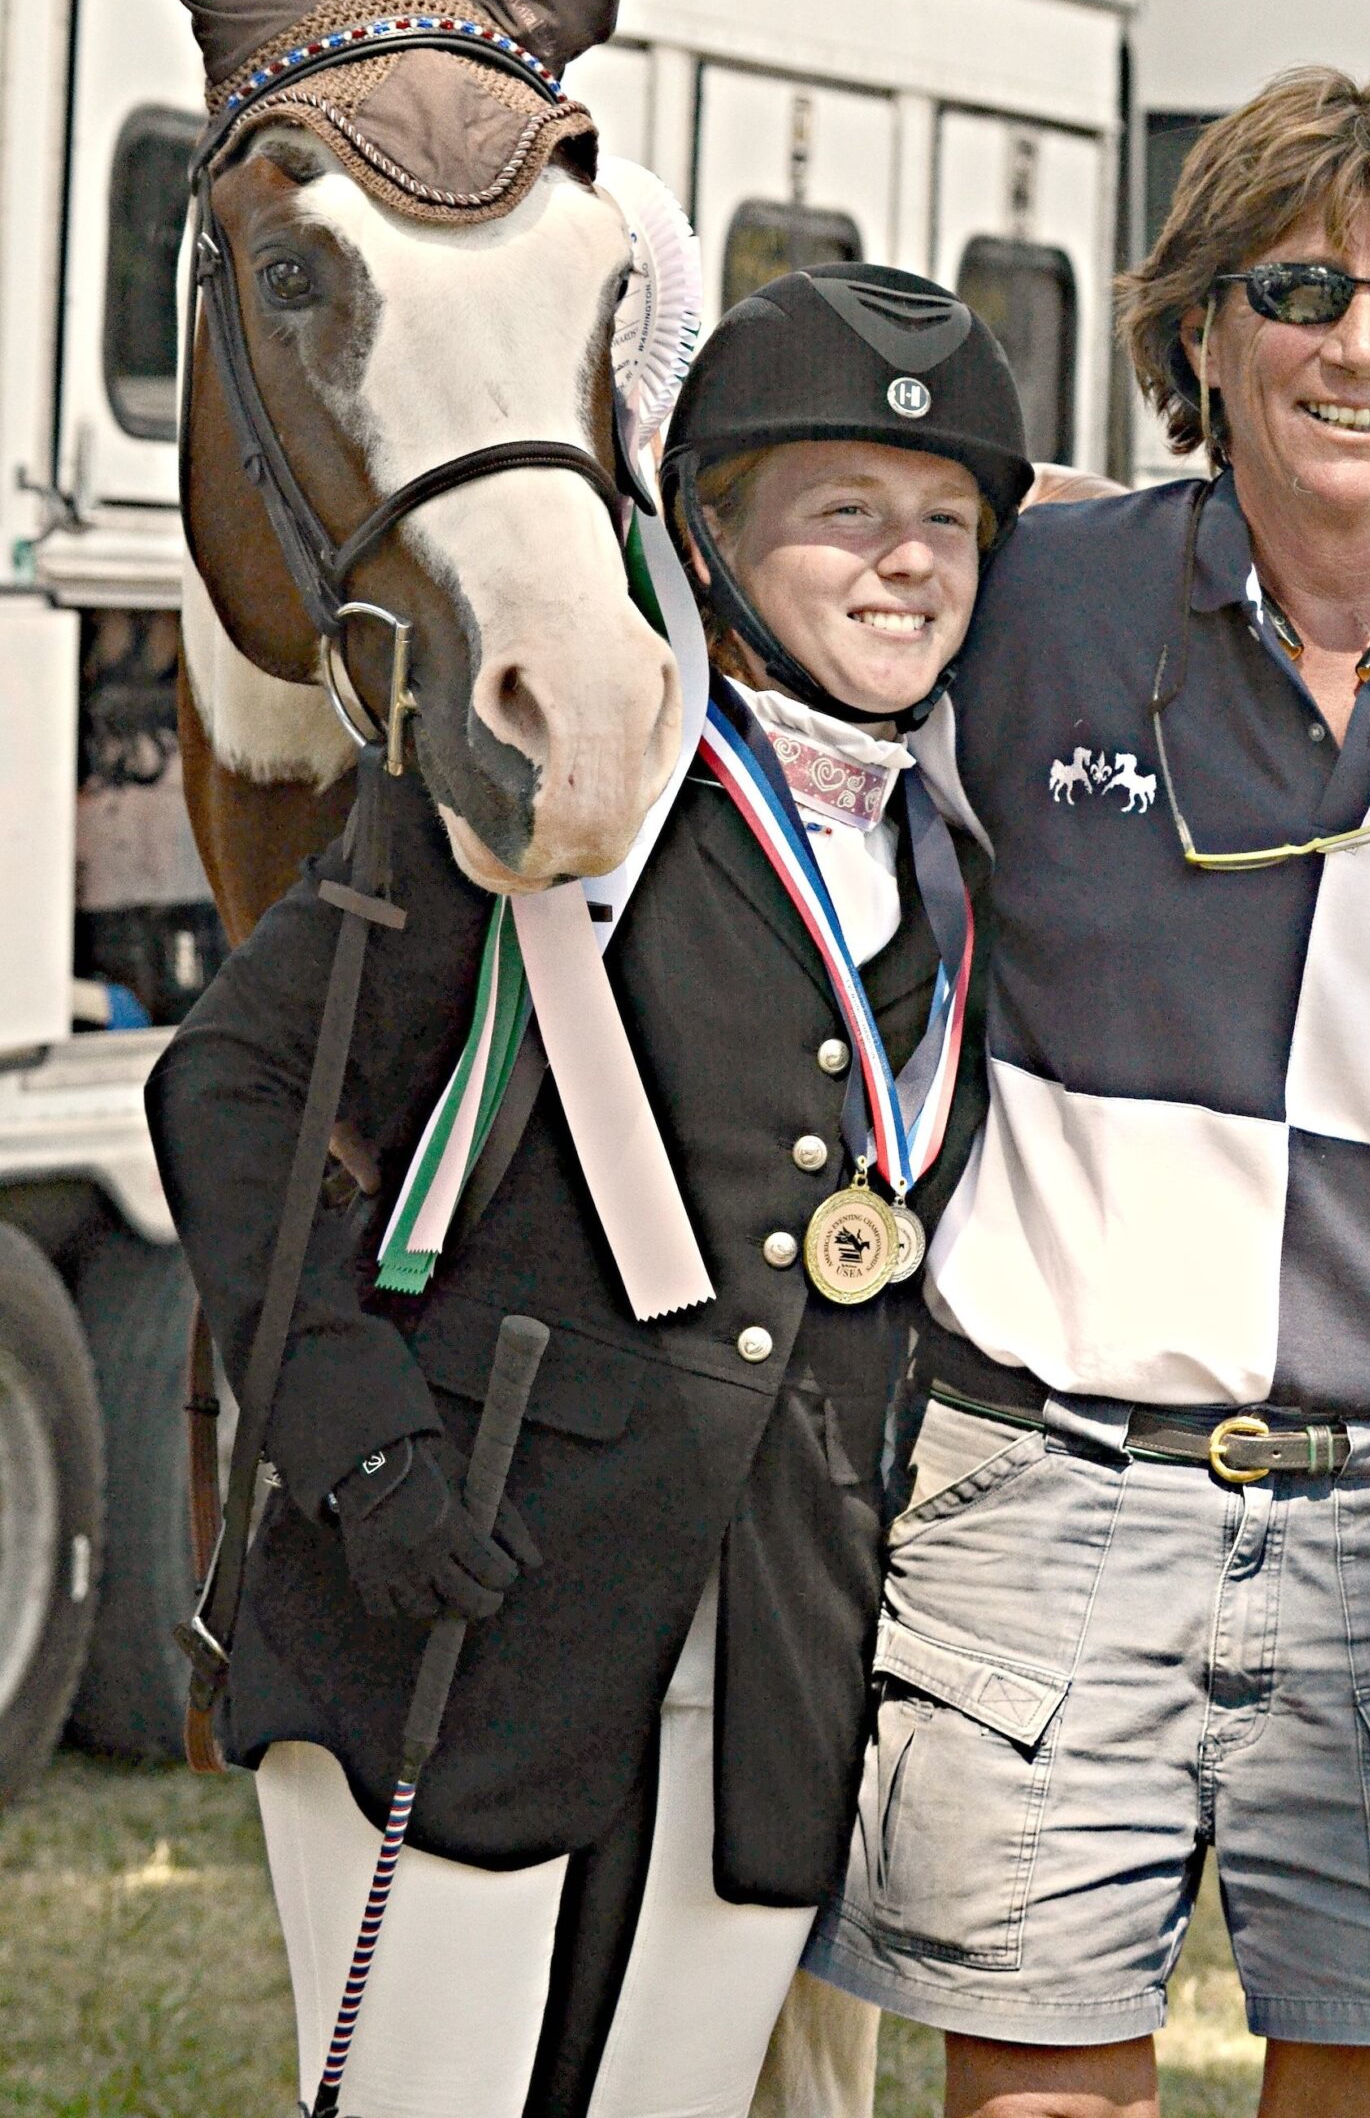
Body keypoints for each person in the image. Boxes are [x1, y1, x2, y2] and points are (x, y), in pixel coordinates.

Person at [807, 71, 1370, 2118]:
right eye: (1293, 284)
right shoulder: (1018, 614)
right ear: (1194, 333)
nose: (1357, 343)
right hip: (1045, 1494)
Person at [145, 262, 1032, 2118]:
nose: (904, 564)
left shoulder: (953, 844)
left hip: (769, 1644)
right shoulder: (543, 778)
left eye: (947, 522)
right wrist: (351, 1436)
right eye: (844, 513)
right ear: (706, 540)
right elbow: (227, 1086)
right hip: (462, 1600)